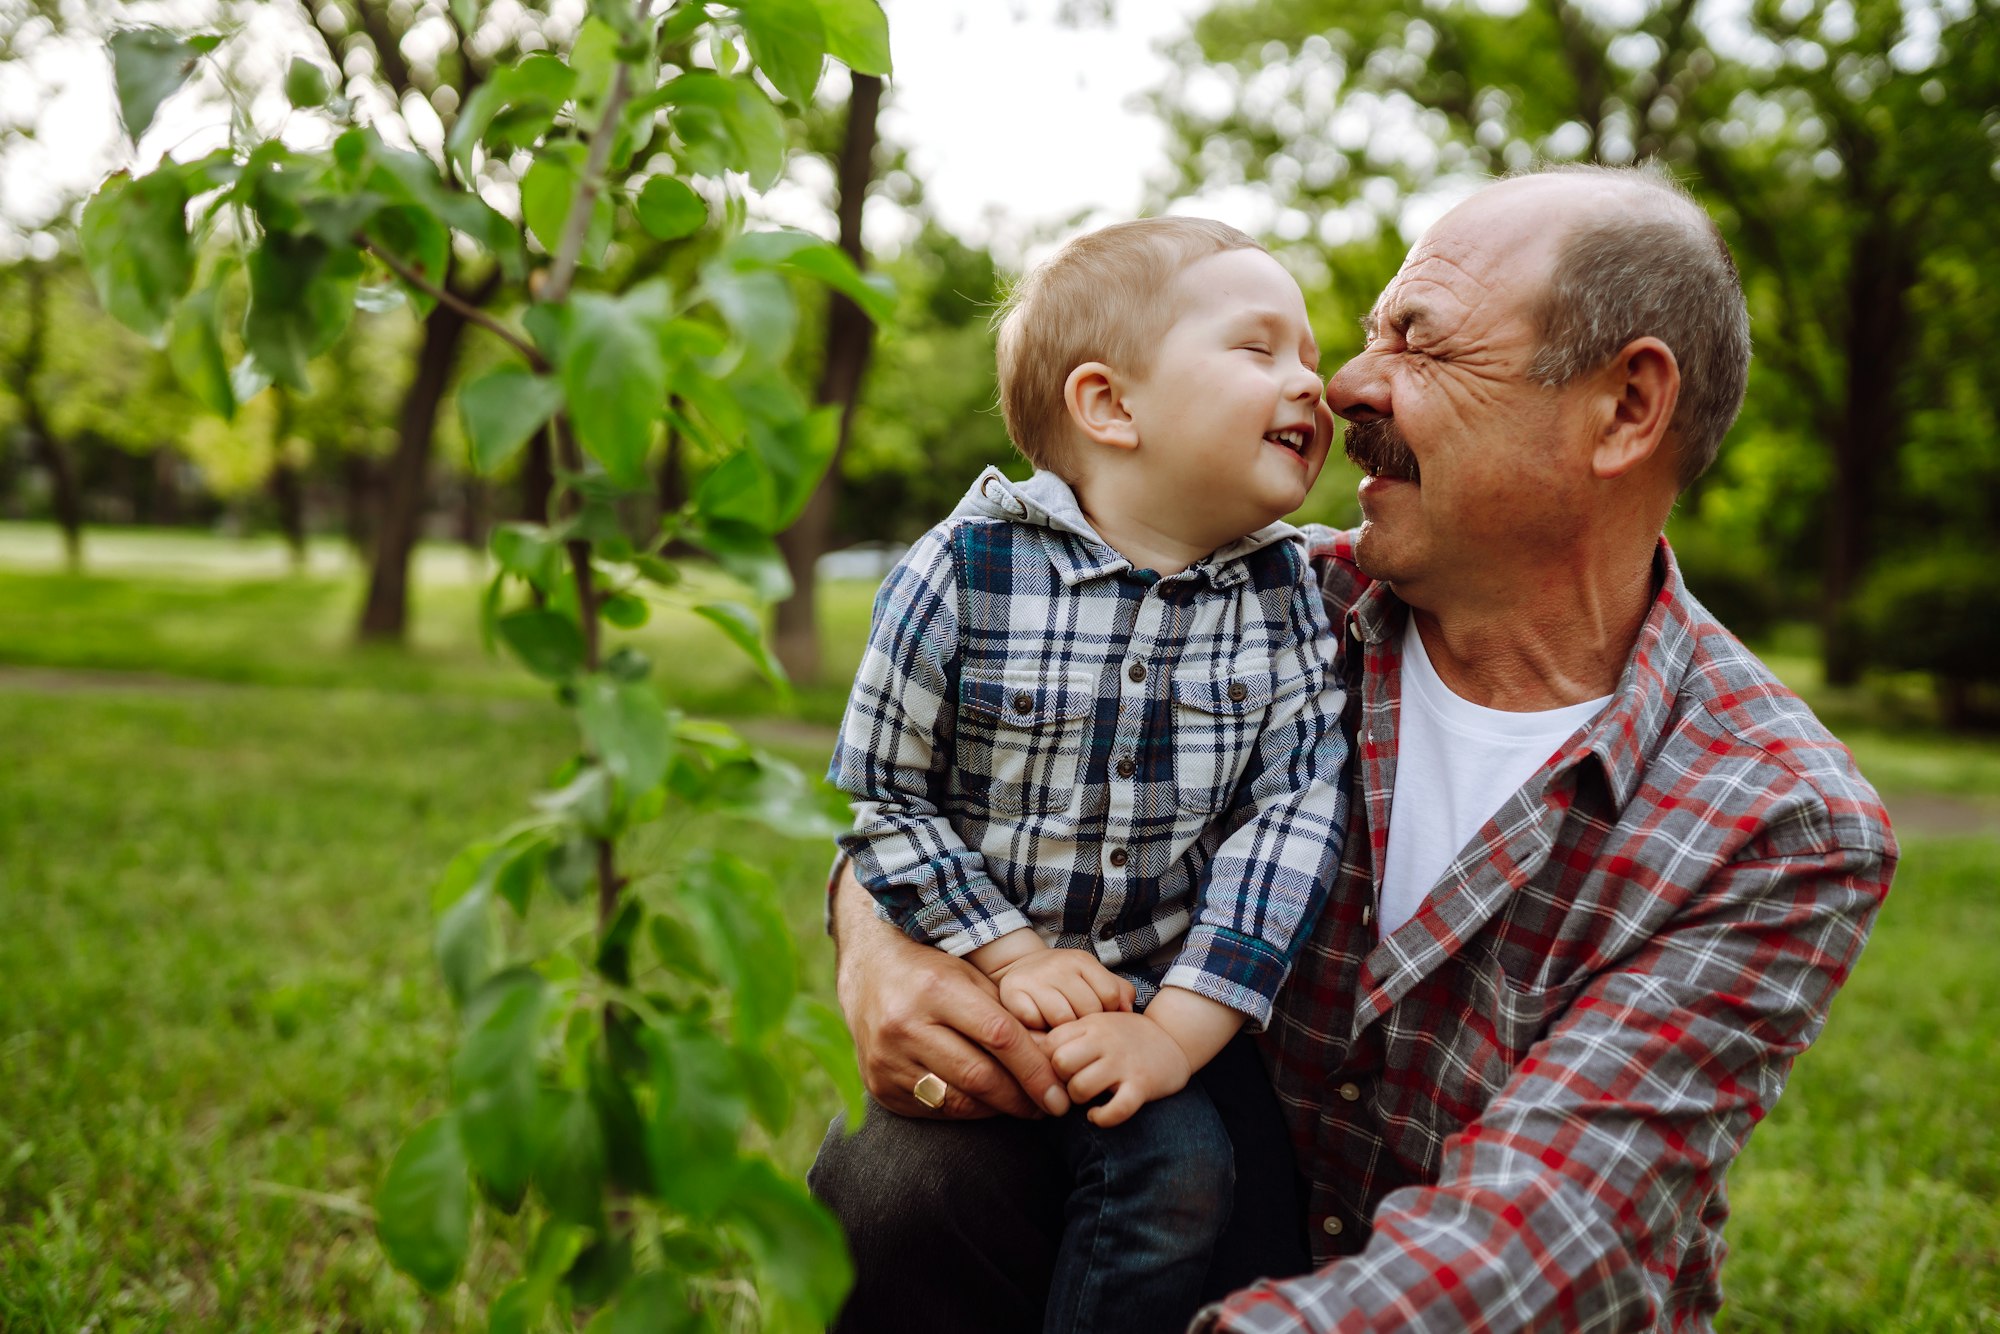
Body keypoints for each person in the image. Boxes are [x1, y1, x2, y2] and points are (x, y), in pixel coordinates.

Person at [808, 163, 1898, 1333]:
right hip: (1153, 1230)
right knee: (903, 1173)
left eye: (1418, 342)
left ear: (1624, 407)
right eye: (1370, 333)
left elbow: (1541, 1227)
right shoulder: (1240, 604)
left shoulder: (1776, 813)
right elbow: (947, 782)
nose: (1342, 382)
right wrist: (874, 936)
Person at [823, 217, 1352, 1334]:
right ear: (1109, 405)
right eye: (1260, 349)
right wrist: (1009, 953)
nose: (1313, 383)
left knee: (1200, 1184)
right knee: (898, 1195)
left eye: (1307, 353)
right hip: (989, 991)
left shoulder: (1284, 596)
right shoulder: (959, 572)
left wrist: (1174, 1032)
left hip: (1182, 1005)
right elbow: (884, 794)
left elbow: (1289, 821)